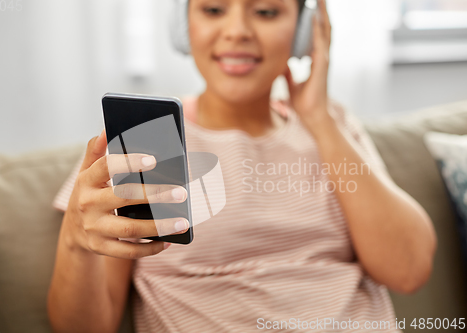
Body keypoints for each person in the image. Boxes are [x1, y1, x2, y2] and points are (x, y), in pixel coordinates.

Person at [47, 0, 437, 332]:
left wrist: (318, 118)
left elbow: (408, 269)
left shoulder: (332, 126)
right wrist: (74, 241)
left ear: (305, 31)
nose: (236, 31)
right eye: (214, 9)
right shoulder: (147, 140)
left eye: (265, 12)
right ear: (184, 25)